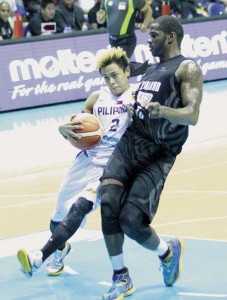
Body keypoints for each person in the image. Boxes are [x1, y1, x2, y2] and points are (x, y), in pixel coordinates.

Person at [100, 15, 203, 300]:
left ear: (170, 37)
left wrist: (164, 111)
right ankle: (121, 278)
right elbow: (132, 88)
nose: (148, 38)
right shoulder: (151, 69)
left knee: (132, 221)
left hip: (159, 153)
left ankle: (167, 252)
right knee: (108, 203)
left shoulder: (187, 68)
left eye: (154, 34)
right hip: (131, 142)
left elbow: (192, 115)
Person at [17, 47, 138, 278]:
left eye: (115, 75)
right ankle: (61, 248)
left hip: (111, 169)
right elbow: (80, 130)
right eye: (106, 77)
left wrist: (137, 121)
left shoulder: (136, 98)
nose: (111, 81)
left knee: (80, 207)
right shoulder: (96, 97)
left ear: (127, 71)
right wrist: (64, 130)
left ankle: (39, 257)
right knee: (58, 215)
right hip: (84, 163)